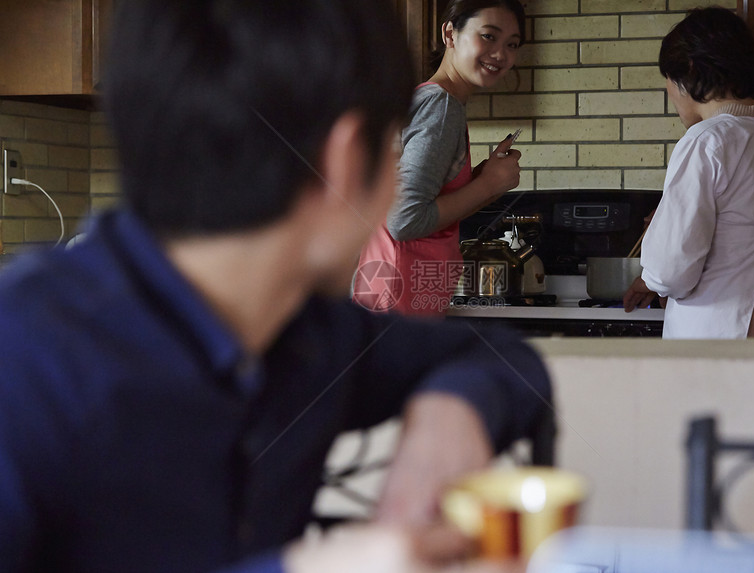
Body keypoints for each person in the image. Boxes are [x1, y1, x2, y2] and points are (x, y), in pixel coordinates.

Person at [0, 1, 552, 572]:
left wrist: (452, 411)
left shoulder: (299, 332)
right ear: (345, 161)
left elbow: (499, 359)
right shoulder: (24, 360)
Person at [623, 6, 754, 364]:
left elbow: (671, 268)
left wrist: (650, 278)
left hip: (721, 348)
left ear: (688, 70)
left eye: (667, 81)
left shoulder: (708, 141)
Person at [353, 0, 525, 317]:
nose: (500, 53)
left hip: (394, 300)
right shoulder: (440, 107)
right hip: (398, 305)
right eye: (489, 36)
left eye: (512, 44)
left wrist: (482, 181)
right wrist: (487, 185)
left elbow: (427, 206)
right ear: (450, 33)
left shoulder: (434, 99)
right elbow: (405, 220)